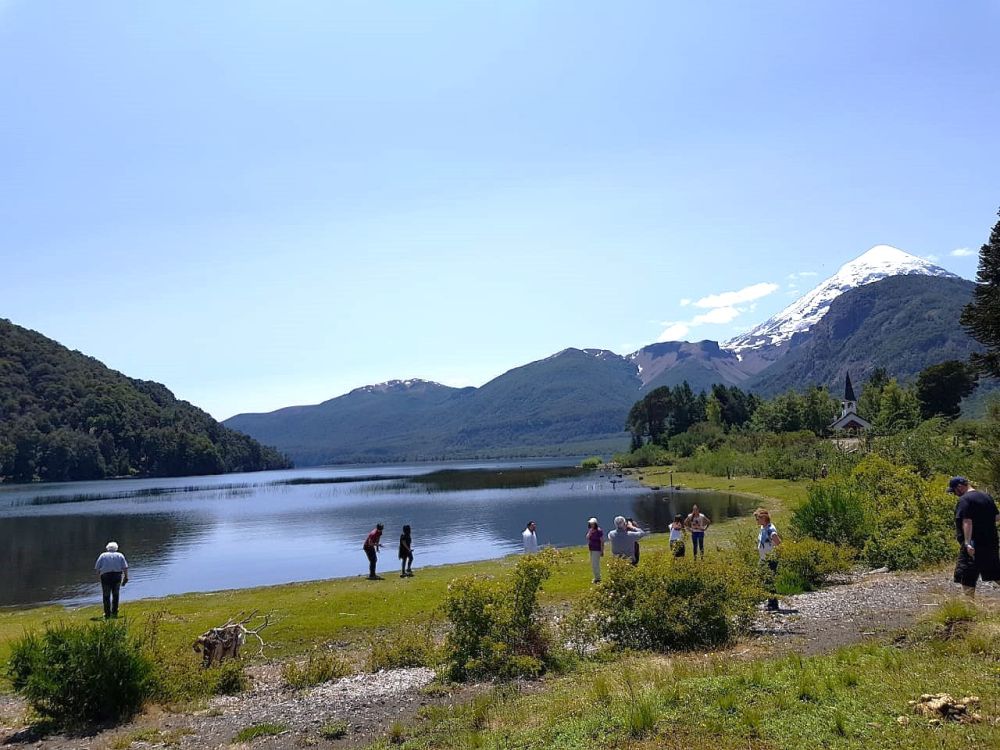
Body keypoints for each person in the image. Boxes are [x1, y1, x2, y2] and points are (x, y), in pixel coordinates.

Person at [948, 476, 1000, 598]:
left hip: (973, 544)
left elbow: (967, 521)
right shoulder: (986, 497)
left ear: (960, 487)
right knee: (995, 572)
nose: (955, 494)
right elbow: (997, 517)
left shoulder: (965, 500)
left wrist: (967, 543)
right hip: (990, 542)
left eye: (954, 491)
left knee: (966, 573)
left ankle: (969, 604)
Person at [755, 508, 782, 611]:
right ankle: (768, 600)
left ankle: (773, 604)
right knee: (763, 578)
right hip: (763, 558)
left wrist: (775, 553)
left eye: (758, 519)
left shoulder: (770, 529)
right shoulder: (763, 527)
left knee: (769, 580)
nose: (756, 521)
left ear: (764, 518)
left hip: (770, 559)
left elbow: (777, 541)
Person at [94, 541, 129, 619]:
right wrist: (126, 577)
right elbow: (125, 567)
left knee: (106, 595)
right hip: (117, 575)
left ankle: (107, 613)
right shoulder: (120, 555)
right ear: (116, 548)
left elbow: (97, 568)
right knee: (116, 594)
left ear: (107, 548)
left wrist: (98, 577)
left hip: (105, 576)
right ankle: (115, 611)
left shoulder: (103, 555)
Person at [587, 517, 604, 583]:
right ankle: (596, 577)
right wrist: (590, 532)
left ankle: (598, 578)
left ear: (595, 524)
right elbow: (587, 537)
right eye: (590, 523)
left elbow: (602, 541)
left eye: (592, 523)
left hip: (596, 549)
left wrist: (602, 550)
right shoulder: (591, 530)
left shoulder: (599, 531)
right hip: (591, 549)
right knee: (593, 564)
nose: (591, 525)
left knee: (595, 564)